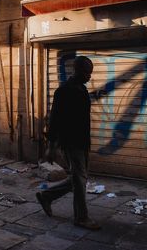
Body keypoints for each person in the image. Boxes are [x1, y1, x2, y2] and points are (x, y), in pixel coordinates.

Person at [36, 56, 100, 230]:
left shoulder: (81, 89)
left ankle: (47, 196)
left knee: (78, 178)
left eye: (90, 73)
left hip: (82, 141)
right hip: (71, 142)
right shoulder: (64, 91)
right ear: (78, 71)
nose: (89, 76)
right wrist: (51, 147)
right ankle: (81, 217)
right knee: (79, 179)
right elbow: (55, 119)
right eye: (87, 73)